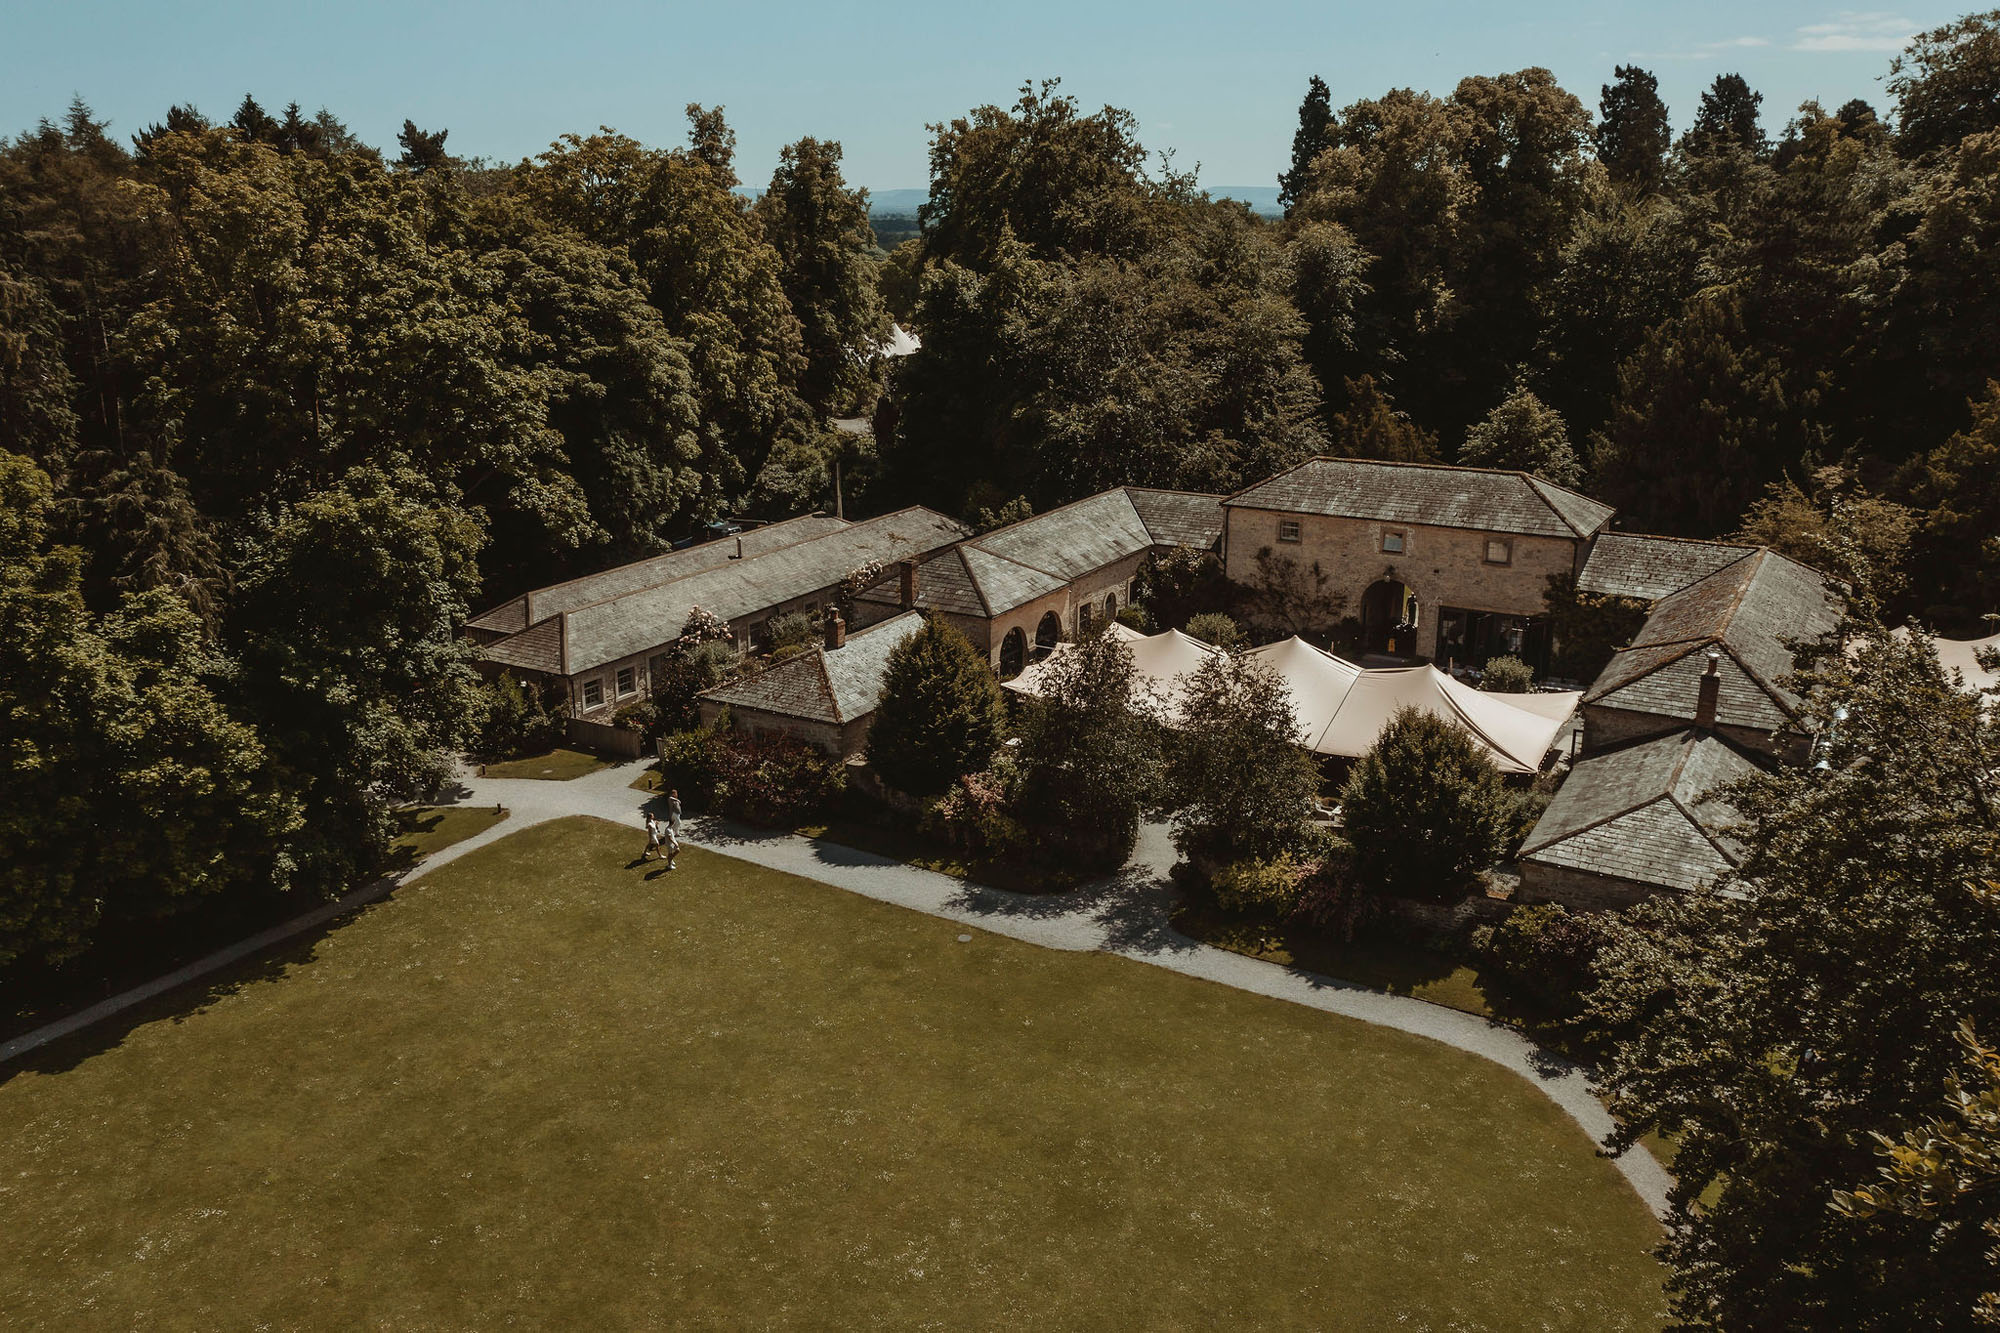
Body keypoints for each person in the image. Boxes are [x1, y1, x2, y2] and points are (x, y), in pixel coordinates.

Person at [663, 789, 682, 870]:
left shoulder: (674, 799)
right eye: (675, 793)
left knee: (678, 823)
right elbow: (670, 798)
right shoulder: (671, 798)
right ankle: (669, 863)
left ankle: (671, 861)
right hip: (673, 813)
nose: (676, 794)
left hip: (677, 813)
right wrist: (677, 799)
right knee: (677, 823)